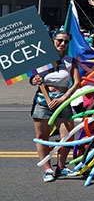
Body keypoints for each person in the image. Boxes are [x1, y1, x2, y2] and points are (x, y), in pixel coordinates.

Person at [29, 31, 80, 182]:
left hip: (62, 101)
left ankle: (61, 167)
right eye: (59, 40)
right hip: (42, 101)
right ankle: (48, 169)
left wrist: (65, 97)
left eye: (65, 42)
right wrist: (35, 80)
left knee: (67, 137)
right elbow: (32, 79)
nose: (62, 44)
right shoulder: (41, 59)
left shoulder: (71, 61)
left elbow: (77, 82)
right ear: (53, 41)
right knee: (42, 136)